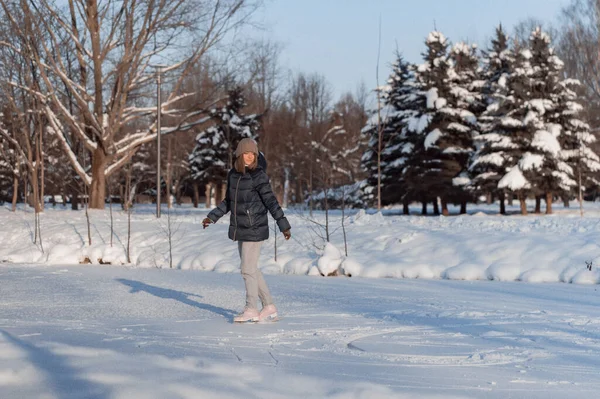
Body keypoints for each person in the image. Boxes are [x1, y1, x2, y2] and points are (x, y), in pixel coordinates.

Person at [202, 138, 291, 323]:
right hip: (241, 227)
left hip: (255, 227)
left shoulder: (258, 175)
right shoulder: (233, 175)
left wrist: (283, 224)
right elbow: (229, 201)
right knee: (251, 269)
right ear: (239, 155)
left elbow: (271, 201)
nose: (250, 157)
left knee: (246, 270)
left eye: (253, 154)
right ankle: (268, 306)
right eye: (246, 153)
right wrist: (212, 217)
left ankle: (251, 308)